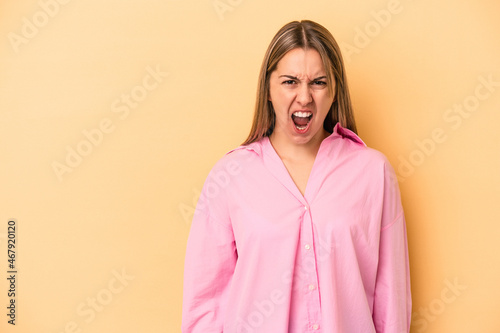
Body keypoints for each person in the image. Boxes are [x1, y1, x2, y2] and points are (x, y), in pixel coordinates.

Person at [181, 20, 411, 332]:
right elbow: (204, 304)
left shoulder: (374, 173)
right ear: (268, 90)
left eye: (318, 82)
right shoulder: (231, 176)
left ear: (334, 91)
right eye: (290, 81)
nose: (304, 97)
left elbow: (391, 301)